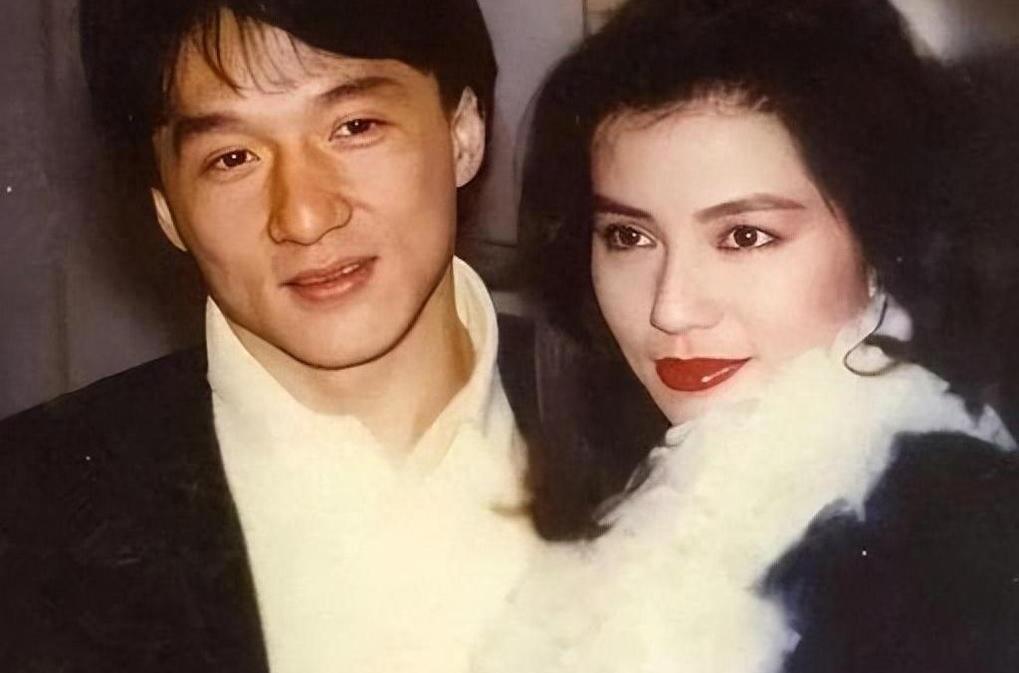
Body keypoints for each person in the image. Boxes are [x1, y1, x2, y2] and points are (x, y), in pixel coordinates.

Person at [476, 0, 1019, 671]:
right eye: (629, 236)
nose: (672, 308)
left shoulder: (953, 535)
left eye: (744, 236)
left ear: (880, 239)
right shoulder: (642, 478)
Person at [0, 1, 543, 671]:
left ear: (463, 132)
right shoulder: (26, 515)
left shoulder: (641, 427)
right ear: (167, 209)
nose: (305, 216)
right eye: (233, 158)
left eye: (354, 127)